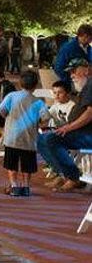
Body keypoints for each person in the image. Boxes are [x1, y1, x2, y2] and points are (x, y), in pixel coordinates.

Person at [38, 58, 92, 192]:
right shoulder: (85, 87)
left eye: (74, 71)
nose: (71, 75)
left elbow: (89, 114)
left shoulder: (90, 84)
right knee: (41, 139)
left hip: (87, 134)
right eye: (70, 72)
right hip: (80, 132)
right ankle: (63, 174)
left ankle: (73, 177)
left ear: (86, 70)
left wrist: (68, 127)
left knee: (51, 139)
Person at [0, 69, 50, 196]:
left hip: (12, 138)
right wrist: (39, 123)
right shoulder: (38, 102)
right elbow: (46, 118)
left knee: (12, 164)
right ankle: (26, 187)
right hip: (29, 139)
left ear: (20, 83)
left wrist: (8, 117)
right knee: (27, 165)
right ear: (35, 86)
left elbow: (1, 109)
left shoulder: (12, 96)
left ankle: (14, 186)